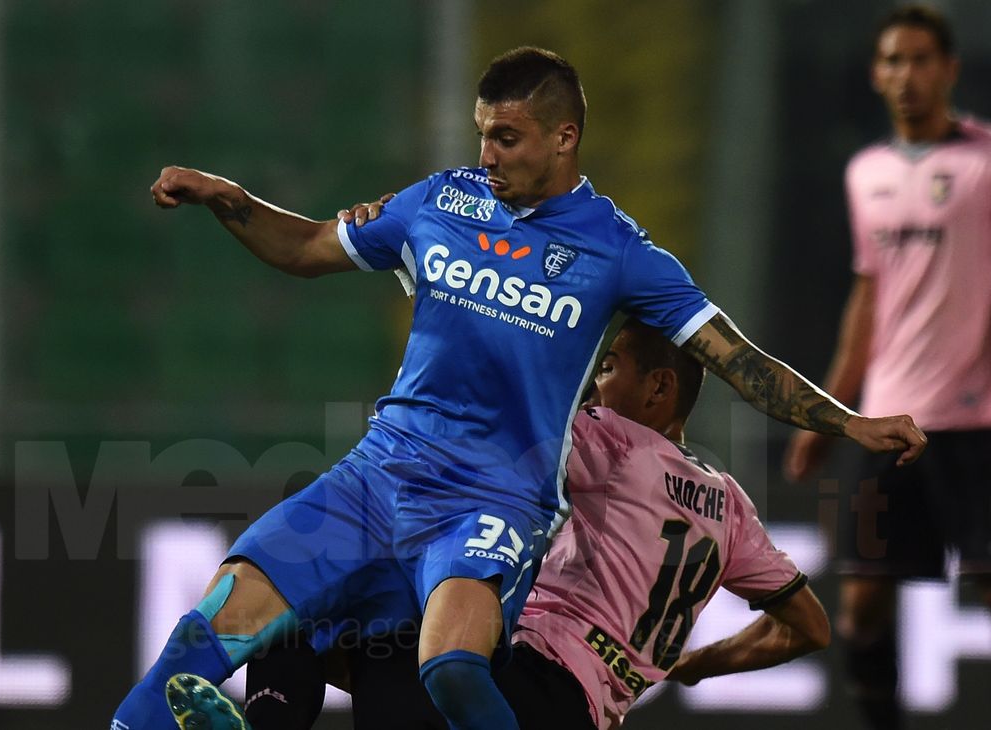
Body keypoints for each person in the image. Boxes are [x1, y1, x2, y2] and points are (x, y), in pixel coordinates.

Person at [115, 47, 924, 730]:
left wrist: (850, 423)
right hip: (380, 473)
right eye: (483, 136)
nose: (488, 154)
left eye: (508, 137)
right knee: (218, 621)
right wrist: (230, 199)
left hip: (491, 500)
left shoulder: (619, 254)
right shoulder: (440, 201)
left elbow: (740, 360)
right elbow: (308, 247)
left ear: (564, 138)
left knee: (454, 672)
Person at [244, 317, 831, 730]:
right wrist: (698, 665)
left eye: (607, 367)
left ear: (660, 386)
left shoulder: (614, 441)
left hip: (522, 678)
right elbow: (807, 627)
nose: (595, 384)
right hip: (581, 711)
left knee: (297, 615)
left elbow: (509, 412)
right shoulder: (729, 503)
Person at [782, 6, 991, 730]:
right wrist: (825, 412)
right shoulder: (865, 172)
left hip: (977, 423)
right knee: (861, 604)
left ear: (950, 69)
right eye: (894, 61)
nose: (907, 76)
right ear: (877, 74)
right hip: (886, 423)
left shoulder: (984, 164)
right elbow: (868, 299)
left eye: (921, 60)